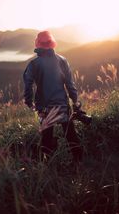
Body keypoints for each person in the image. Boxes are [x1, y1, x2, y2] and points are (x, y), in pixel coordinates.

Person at [23, 30, 82, 161]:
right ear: (52, 44)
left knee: (46, 138)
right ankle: (79, 163)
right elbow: (70, 84)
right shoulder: (62, 60)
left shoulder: (33, 64)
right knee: (71, 135)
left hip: (45, 108)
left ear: (38, 44)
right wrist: (75, 100)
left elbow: (28, 85)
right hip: (62, 104)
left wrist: (28, 101)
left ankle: (49, 165)